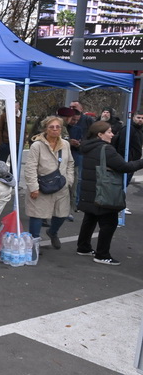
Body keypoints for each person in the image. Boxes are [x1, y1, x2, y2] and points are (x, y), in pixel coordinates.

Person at [76, 121, 143, 265]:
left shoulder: (87, 147)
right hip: (104, 192)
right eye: (109, 132)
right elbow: (124, 166)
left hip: (91, 190)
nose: (112, 135)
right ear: (100, 134)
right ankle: (102, 254)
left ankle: (83, 247)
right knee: (109, 223)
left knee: (90, 218)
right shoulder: (106, 149)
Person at [23, 115, 74, 248]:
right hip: (41, 186)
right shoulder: (37, 146)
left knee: (61, 214)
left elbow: (70, 163)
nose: (55, 129)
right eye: (51, 127)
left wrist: (69, 181)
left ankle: (53, 232)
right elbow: (30, 168)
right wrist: (34, 187)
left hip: (61, 186)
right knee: (37, 215)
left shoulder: (66, 145)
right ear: (46, 129)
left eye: (58, 127)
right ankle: (33, 243)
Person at [112, 109, 143, 189]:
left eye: (142, 118)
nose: (140, 120)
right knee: (121, 186)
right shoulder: (128, 129)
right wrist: (128, 160)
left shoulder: (139, 130)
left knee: (124, 185)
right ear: (133, 118)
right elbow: (122, 146)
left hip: (133, 162)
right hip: (127, 162)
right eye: (138, 117)